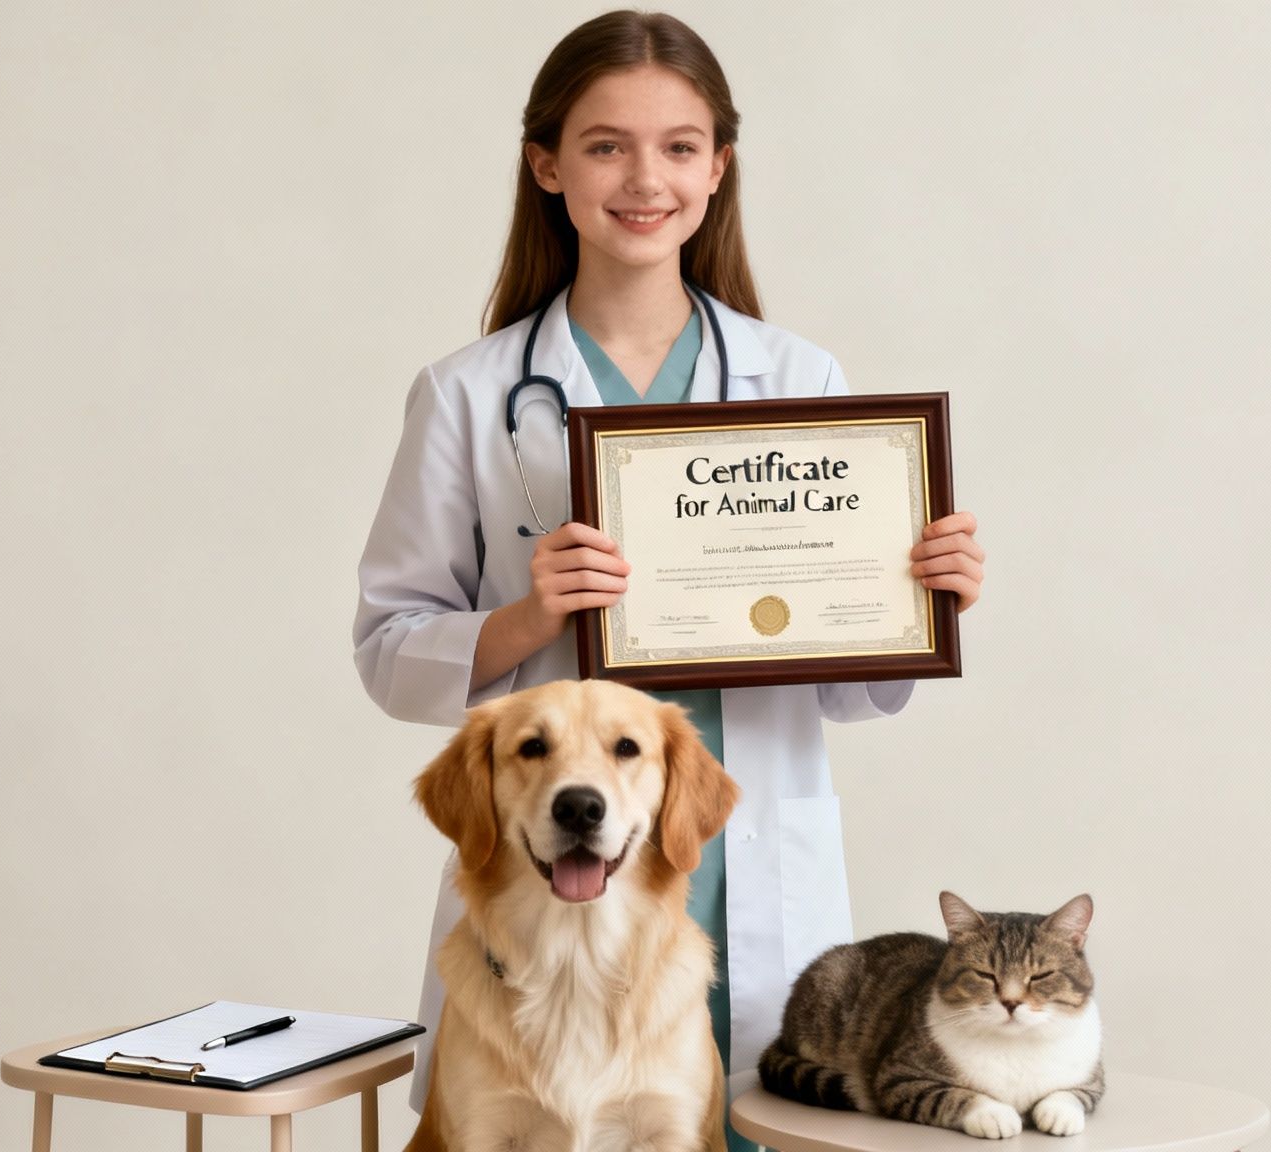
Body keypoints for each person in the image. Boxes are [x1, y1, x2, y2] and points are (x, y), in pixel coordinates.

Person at [353, 11, 985, 1149]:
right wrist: (522, 617)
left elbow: (843, 688)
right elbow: (388, 652)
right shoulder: (465, 393)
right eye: (603, 146)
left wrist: (911, 597)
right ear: (546, 165)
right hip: (546, 885)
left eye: (679, 146)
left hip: (738, 872)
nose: (644, 178)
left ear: (717, 168)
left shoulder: (800, 378)